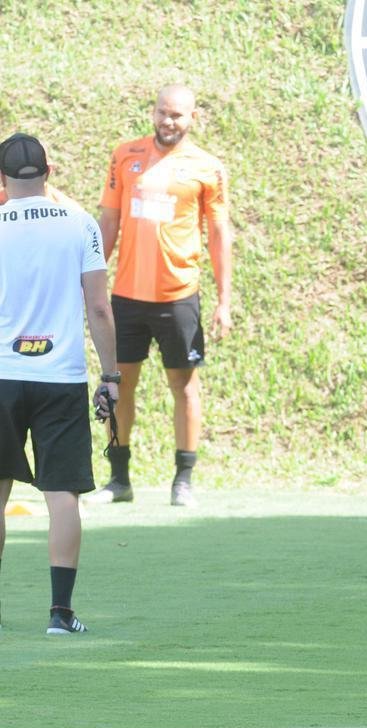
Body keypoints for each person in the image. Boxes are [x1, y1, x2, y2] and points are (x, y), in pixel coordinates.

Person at [90, 84, 233, 508]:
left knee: (184, 387)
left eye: (177, 115)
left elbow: (219, 234)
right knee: (118, 385)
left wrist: (224, 301)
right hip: (127, 297)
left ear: (193, 118)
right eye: (163, 112)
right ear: (153, 112)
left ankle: (183, 480)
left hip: (178, 296)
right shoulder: (125, 155)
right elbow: (109, 222)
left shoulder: (208, 167)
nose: (169, 121)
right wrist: (90, 278)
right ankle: (119, 479)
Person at [0, 133, 119, 634]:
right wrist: (110, 376)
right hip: (60, 376)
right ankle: (60, 614)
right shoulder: (80, 223)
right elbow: (98, 307)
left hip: (3, 375)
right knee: (62, 493)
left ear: (2, 178)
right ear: (49, 172)